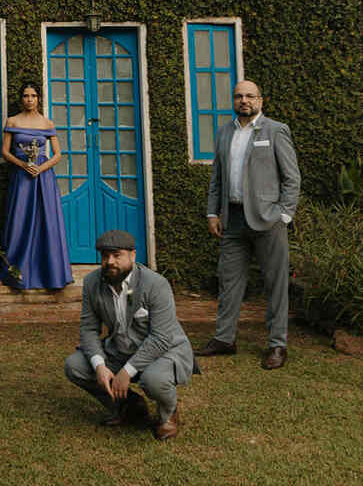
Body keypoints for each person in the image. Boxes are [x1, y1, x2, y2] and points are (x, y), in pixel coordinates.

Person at [197, 79, 301, 370]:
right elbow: (216, 178)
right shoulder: (224, 133)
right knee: (228, 281)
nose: (244, 100)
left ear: (260, 101)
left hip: (269, 221)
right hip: (232, 219)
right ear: (233, 100)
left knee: (275, 284)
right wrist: (212, 214)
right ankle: (224, 339)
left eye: (250, 96)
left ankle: (277, 344)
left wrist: (284, 216)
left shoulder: (276, 130)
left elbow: (292, 179)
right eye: (239, 96)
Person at [65, 230, 194, 440]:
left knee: (154, 380)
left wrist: (126, 372)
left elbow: (161, 337)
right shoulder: (91, 283)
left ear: (132, 256)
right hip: (121, 348)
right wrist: (99, 366)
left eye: (117, 256)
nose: (110, 262)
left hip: (164, 351)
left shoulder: (156, 284)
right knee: (75, 366)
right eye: (105, 256)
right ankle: (129, 406)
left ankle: (168, 414)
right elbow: (88, 328)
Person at [0, 82, 72, 290]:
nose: (29, 99)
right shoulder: (12, 121)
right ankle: (16, 272)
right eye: (25, 96)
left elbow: (58, 154)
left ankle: (50, 274)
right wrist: (23, 164)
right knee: (19, 220)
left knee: (46, 221)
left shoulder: (47, 123)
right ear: (21, 98)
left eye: (33, 95)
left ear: (38, 98)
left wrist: (41, 169)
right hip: (21, 177)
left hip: (43, 178)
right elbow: (5, 152)